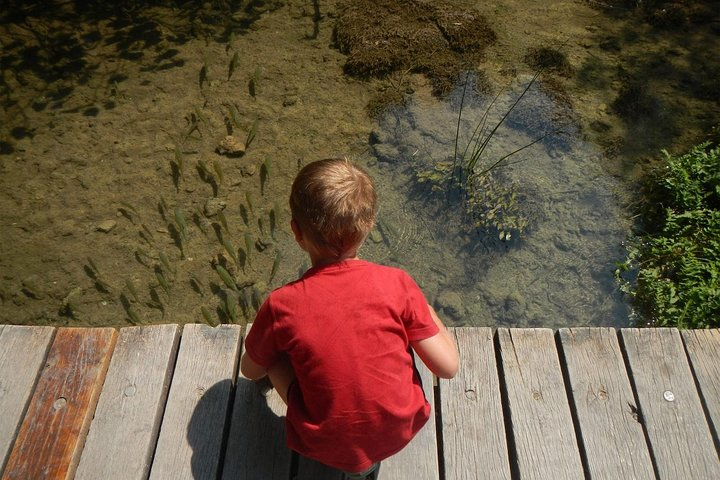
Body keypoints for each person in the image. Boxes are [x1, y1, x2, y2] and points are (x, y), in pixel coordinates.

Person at [240, 158, 459, 480]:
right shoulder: (397, 283)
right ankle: (366, 465)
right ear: (369, 224)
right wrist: (421, 305)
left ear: (296, 231)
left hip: (324, 440)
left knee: (272, 354)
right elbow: (448, 368)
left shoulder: (281, 304)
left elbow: (249, 370)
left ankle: (354, 463)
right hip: (399, 428)